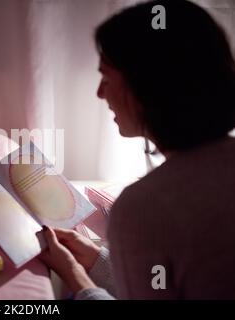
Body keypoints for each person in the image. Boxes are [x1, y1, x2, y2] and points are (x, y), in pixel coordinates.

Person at [40, 0, 235, 299]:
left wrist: (78, 280)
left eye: (106, 77)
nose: (99, 93)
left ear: (145, 87)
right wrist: (96, 260)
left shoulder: (144, 207)